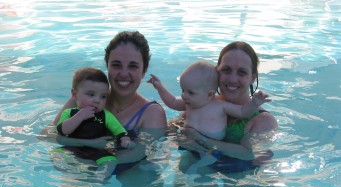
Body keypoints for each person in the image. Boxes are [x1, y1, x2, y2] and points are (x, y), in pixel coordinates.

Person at [48, 31, 167, 174]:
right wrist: (87, 145)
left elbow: (136, 155)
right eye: (116, 65)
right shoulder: (82, 99)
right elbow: (48, 135)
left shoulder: (151, 113)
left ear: (143, 71)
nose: (124, 73)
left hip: (132, 171)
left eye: (133, 66)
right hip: (82, 167)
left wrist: (87, 158)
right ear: (108, 67)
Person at [148, 61, 271, 170]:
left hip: (212, 145)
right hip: (190, 141)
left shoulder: (220, 106)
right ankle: (156, 163)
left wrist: (254, 103)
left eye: (190, 92)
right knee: (182, 166)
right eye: (183, 90)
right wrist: (160, 88)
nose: (184, 95)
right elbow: (172, 102)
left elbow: (243, 112)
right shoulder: (190, 102)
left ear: (210, 94)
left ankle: (199, 164)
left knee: (205, 159)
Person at [180, 41, 278, 172]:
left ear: (253, 78)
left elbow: (251, 156)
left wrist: (204, 141)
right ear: (217, 71)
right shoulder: (201, 104)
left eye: (241, 72)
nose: (232, 79)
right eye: (226, 70)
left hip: (239, 180)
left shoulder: (263, 121)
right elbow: (174, 132)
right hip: (195, 169)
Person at [56, 67, 136, 178]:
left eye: (103, 97)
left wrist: (125, 139)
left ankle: (98, 178)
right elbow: (63, 130)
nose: (97, 100)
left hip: (99, 151)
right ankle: (75, 173)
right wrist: (79, 116)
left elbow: (119, 130)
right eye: (91, 94)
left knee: (111, 161)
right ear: (74, 95)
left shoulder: (105, 115)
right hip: (73, 148)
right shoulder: (69, 113)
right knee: (57, 155)